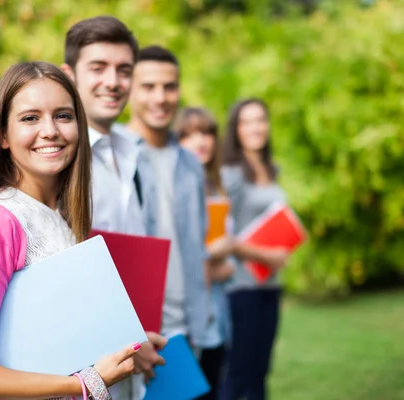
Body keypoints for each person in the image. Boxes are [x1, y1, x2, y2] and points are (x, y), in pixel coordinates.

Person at [0, 61, 139, 400]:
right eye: (30, 118)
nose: (50, 130)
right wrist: (86, 384)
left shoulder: (63, 219)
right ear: (2, 134)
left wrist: (127, 346)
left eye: (63, 115)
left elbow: (59, 338)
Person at [60, 16, 167, 400]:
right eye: (98, 68)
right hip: (78, 369)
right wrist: (127, 340)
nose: (113, 81)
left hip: (135, 353)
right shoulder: (57, 156)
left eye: (124, 70)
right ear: (69, 75)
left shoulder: (132, 150)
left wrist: (141, 337)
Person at [121, 45, 211, 352]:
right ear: (130, 90)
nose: (160, 98)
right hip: (133, 334)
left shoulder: (191, 164)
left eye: (169, 87)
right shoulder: (111, 157)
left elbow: (198, 243)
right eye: (148, 87)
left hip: (188, 330)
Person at [221, 98, 290, 400]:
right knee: (240, 375)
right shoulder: (231, 173)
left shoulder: (272, 168)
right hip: (241, 287)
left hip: (270, 284)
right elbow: (222, 236)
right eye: (247, 121)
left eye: (260, 120)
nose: (256, 127)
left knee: (261, 371)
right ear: (236, 129)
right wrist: (266, 255)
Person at [173, 106, 236, 400]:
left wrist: (219, 259)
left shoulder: (217, 189)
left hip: (216, 319)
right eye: (190, 134)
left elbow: (229, 268)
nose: (201, 141)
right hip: (181, 324)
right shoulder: (169, 190)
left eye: (208, 133)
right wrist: (209, 255)